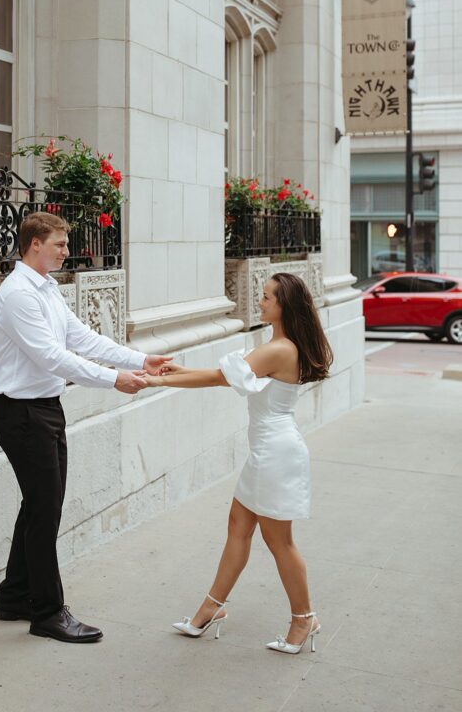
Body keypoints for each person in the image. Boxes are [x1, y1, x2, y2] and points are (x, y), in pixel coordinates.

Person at [0, 212, 170, 644]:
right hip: (22, 414)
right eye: (60, 244)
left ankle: (14, 596)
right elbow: (51, 357)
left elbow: (81, 338)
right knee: (45, 510)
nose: (67, 251)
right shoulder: (17, 294)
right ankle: (48, 613)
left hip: (45, 409)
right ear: (35, 244)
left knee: (39, 507)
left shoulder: (47, 289)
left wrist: (137, 360)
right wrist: (113, 380)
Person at [142, 272, 332, 655]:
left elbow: (218, 379)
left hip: (276, 455)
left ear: (283, 306)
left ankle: (303, 618)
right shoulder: (278, 345)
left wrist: (161, 382)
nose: (260, 302)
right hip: (268, 452)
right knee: (238, 528)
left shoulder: (280, 349)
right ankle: (212, 608)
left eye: (266, 297)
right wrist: (176, 372)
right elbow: (225, 377)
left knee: (280, 543)